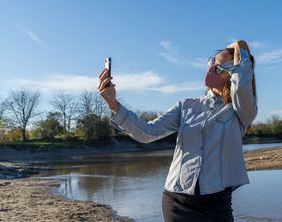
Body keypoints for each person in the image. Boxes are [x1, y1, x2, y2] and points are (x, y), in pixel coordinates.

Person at [98, 40, 258, 222]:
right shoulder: (187, 105)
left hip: (216, 203)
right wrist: (113, 104)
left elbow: (242, 87)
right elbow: (147, 133)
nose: (211, 69)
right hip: (176, 201)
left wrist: (240, 46)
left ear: (234, 73)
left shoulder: (242, 111)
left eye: (218, 67)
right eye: (211, 62)